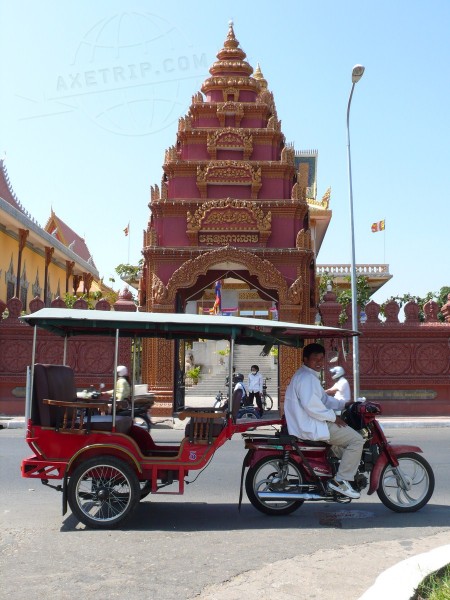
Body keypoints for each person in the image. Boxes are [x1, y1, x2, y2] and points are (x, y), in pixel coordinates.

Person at [283, 343, 364, 499]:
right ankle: (341, 480)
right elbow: (312, 407)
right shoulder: (307, 378)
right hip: (311, 425)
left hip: (308, 423)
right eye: (315, 359)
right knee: (356, 440)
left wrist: (343, 404)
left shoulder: (307, 375)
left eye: (322, 358)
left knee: (343, 444)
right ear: (305, 359)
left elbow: (324, 399)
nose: (319, 362)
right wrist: (335, 418)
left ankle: (334, 471)